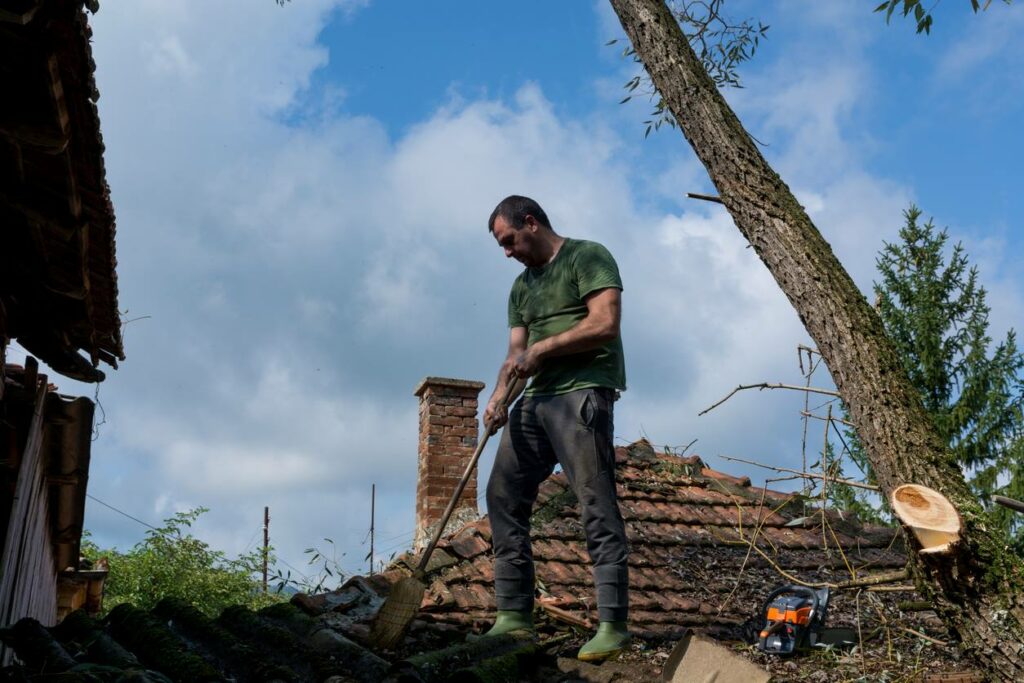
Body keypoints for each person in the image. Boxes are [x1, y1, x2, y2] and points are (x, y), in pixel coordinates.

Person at [479, 195, 630, 662]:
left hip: (582, 392)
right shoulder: (522, 288)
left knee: (594, 500)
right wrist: (499, 398)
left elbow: (605, 323)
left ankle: (612, 625)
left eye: (509, 241)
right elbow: (515, 354)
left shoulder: (587, 256)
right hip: (536, 399)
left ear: (531, 223)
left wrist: (545, 351)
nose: (507, 253)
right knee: (502, 496)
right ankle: (514, 619)